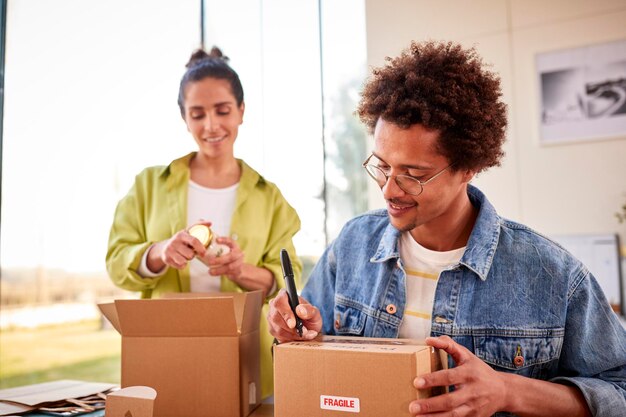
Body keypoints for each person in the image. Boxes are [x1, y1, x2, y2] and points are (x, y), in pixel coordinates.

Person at [267, 41, 626, 416]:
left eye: (414, 175)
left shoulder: (551, 274)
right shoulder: (353, 245)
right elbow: (306, 358)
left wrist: (507, 390)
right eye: (382, 166)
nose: (389, 189)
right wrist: (301, 334)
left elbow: (620, 390)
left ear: (468, 168)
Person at [106, 46, 301, 399]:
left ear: (241, 111)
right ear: (184, 118)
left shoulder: (268, 197)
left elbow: (288, 281)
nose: (211, 125)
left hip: (244, 356)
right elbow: (117, 261)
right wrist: (159, 252)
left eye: (222, 111)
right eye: (197, 114)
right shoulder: (149, 184)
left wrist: (240, 270)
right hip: (164, 350)